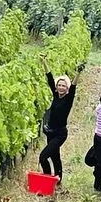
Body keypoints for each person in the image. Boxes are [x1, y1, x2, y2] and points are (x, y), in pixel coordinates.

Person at [38, 53, 76, 182]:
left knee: (43, 157)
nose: (61, 87)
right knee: (55, 157)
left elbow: (74, 87)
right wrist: (44, 62)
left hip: (60, 133)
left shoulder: (68, 99)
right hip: (51, 132)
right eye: (59, 85)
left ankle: (48, 179)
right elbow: (49, 78)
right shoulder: (55, 95)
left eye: (63, 86)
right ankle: (58, 181)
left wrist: (78, 74)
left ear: (67, 88)